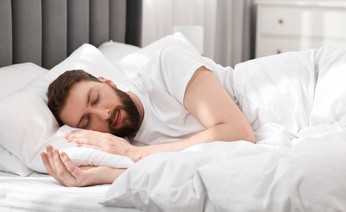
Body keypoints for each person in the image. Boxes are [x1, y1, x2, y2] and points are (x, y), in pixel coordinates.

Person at [41, 45, 256, 187]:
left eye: (96, 98)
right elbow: (170, 172)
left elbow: (239, 131)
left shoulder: (165, 66)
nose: (104, 114)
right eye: (87, 122)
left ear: (107, 82)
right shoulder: (127, 145)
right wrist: (101, 174)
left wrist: (135, 154)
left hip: (273, 96)